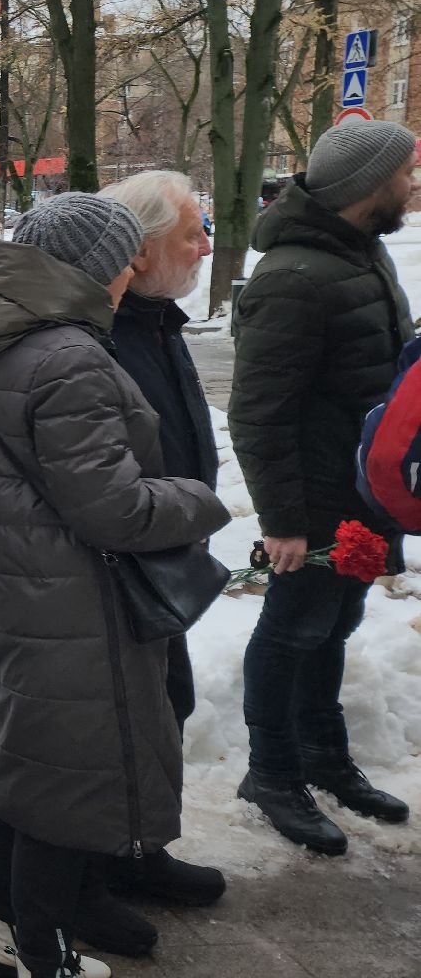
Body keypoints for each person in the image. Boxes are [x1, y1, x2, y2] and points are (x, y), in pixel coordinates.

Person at [0, 192, 231, 978]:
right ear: (96, 268)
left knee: (24, 773)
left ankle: (4, 942)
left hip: (19, 597)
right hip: (71, 608)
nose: (132, 271)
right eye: (125, 258)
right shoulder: (65, 355)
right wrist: (198, 498)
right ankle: (41, 957)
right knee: (63, 791)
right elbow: (113, 510)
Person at [228, 120, 418, 855]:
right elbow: (258, 411)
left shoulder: (362, 255)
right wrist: (282, 521)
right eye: (404, 173)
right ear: (368, 185)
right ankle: (270, 772)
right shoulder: (294, 277)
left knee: (332, 628)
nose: (413, 184)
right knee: (292, 631)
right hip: (312, 503)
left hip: (364, 495)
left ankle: (320, 756)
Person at [80, 172, 227, 934]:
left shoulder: (156, 320)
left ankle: (138, 849)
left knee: (166, 705)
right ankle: (91, 872)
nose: (207, 246)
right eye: (191, 234)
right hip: (122, 557)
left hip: (164, 545)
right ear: (137, 253)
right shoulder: (103, 332)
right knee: (119, 721)